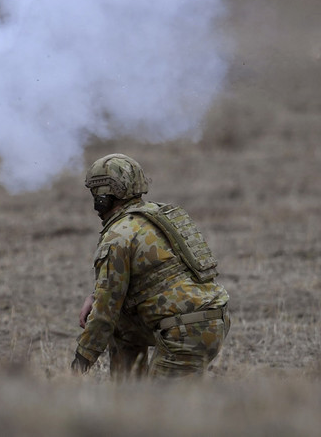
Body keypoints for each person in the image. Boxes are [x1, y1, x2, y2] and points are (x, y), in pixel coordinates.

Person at [73, 153, 230, 378]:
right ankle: (127, 399)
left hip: (187, 331)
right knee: (121, 327)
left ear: (104, 196)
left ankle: (136, 404)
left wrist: (79, 364)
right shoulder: (157, 216)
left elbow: (103, 314)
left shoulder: (118, 234)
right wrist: (95, 296)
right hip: (211, 319)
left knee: (158, 409)